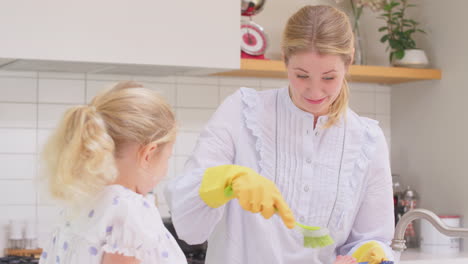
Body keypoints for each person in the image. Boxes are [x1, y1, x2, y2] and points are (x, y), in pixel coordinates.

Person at [165, 4, 395, 264]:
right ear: (284, 58)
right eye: (302, 75)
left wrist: (370, 255)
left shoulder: (367, 141)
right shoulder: (241, 112)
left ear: (349, 61)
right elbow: (188, 225)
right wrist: (225, 180)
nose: (315, 91)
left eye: (329, 78)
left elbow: (371, 239)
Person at [39, 81, 186, 264]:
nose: (165, 170)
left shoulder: (82, 202)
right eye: (167, 158)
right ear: (148, 154)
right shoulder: (130, 211)